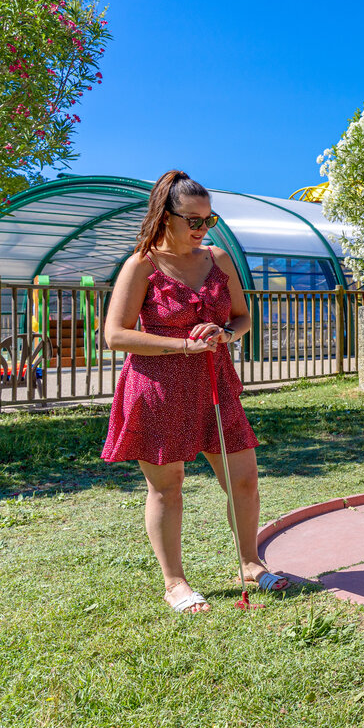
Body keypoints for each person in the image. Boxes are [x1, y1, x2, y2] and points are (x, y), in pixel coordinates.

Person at [101, 170, 288, 614]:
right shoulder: (142, 265)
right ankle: (175, 583)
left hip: (215, 385)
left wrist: (224, 333)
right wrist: (183, 344)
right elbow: (115, 335)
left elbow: (242, 318)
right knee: (169, 488)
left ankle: (250, 564)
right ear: (165, 217)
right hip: (159, 389)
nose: (202, 229)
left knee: (244, 480)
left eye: (209, 220)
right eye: (193, 220)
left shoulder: (218, 259)